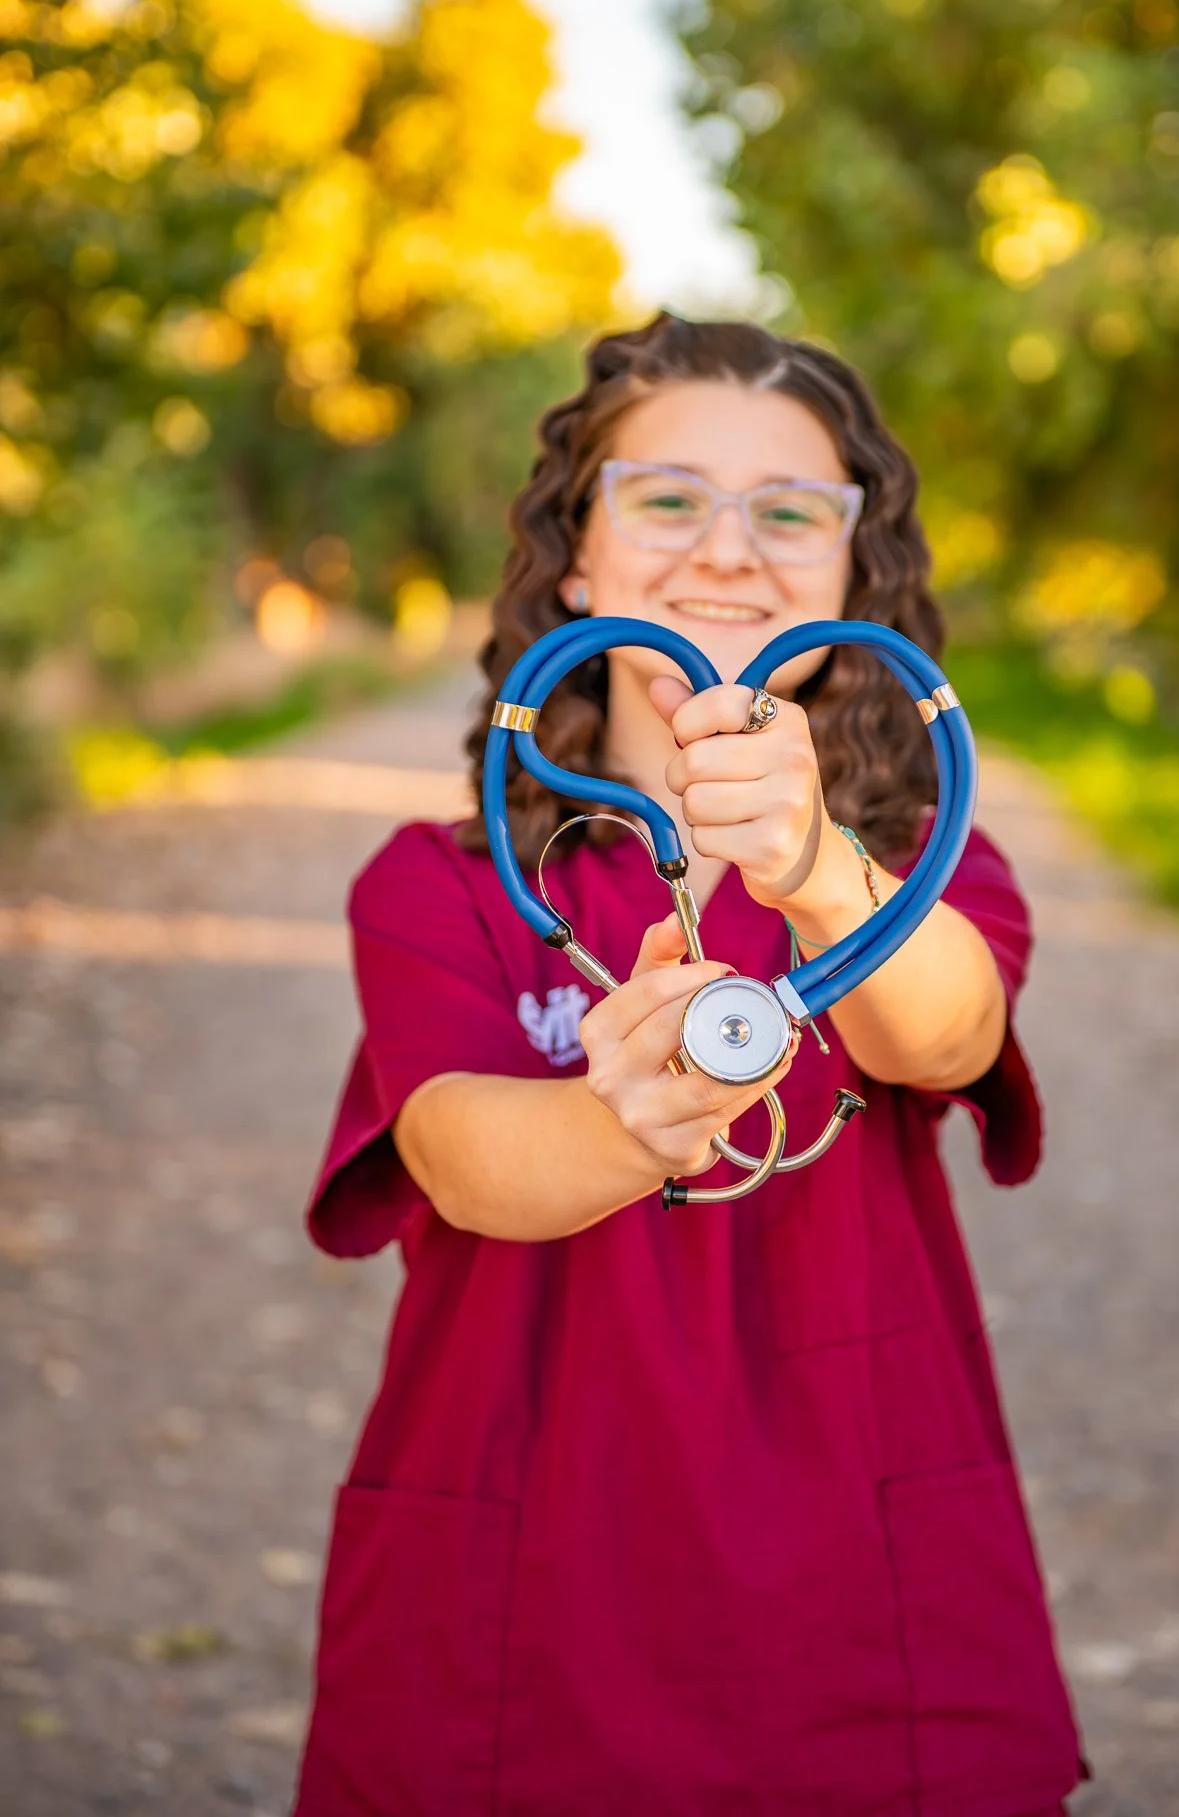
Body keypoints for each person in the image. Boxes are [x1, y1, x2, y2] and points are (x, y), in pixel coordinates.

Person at [294, 313, 1088, 1816]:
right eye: (668, 498)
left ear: (853, 575)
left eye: (790, 513)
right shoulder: (440, 882)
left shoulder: (917, 870)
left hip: (856, 1580)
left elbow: (947, 1029)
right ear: (577, 560)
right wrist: (631, 1121)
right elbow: (465, 1155)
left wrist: (809, 865)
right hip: (530, 1573)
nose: (729, 550)